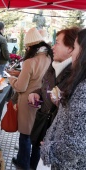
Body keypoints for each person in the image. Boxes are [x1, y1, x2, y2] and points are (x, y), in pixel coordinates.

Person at [28, 27, 80, 170]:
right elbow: (45, 87)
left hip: (57, 140)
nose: (53, 47)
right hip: (44, 126)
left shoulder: (76, 76)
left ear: (71, 48)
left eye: (57, 43)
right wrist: (37, 93)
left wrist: (62, 104)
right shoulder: (53, 66)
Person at [40, 28, 86, 170]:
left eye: (76, 48)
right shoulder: (54, 67)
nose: (53, 46)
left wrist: (48, 150)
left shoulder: (82, 88)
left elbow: (76, 145)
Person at [8, 27, 53, 170]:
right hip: (42, 102)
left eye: (27, 47)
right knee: (38, 137)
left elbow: (21, 87)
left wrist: (11, 79)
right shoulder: (49, 57)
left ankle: (22, 164)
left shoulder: (30, 62)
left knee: (25, 135)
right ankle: (32, 165)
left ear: (31, 46)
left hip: (27, 102)